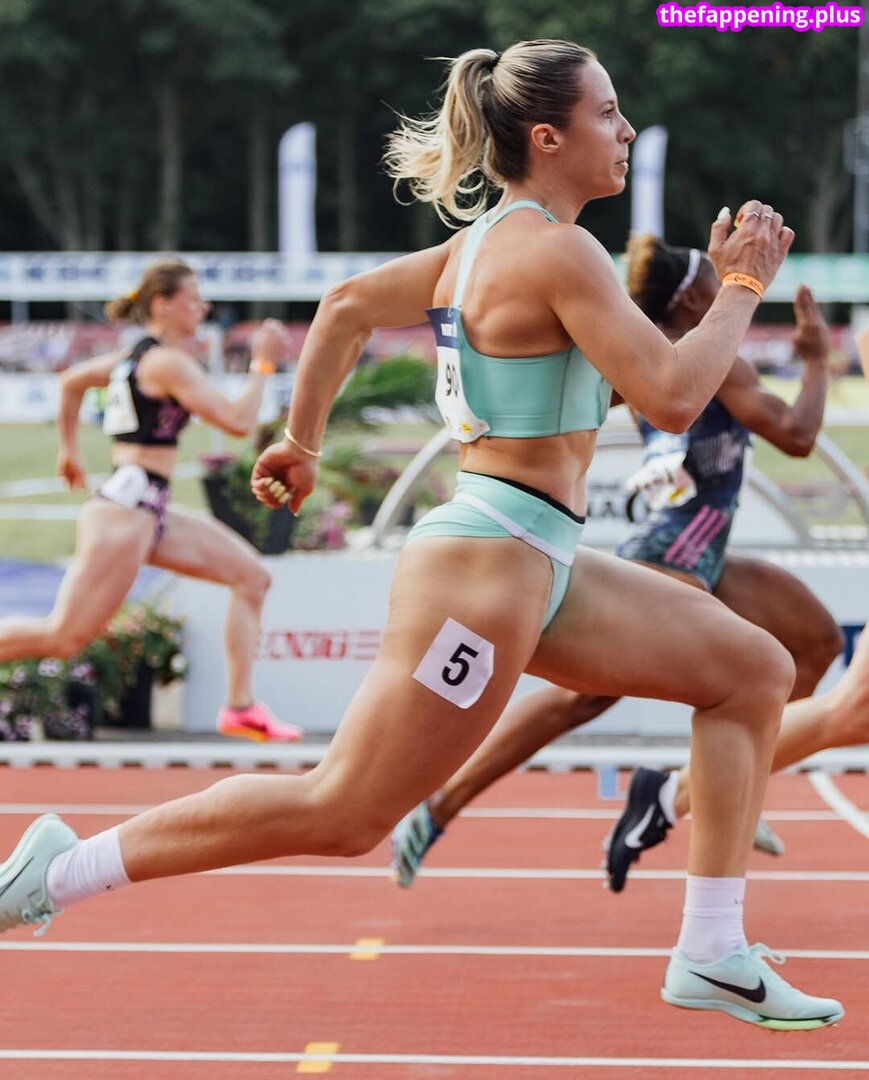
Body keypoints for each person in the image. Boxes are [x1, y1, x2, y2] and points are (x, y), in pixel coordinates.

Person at [0, 41, 843, 1029]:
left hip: (534, 554)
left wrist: (300, 442)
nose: (622, 131)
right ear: (546, 137)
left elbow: (345, 306)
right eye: (607, 114)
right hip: (487, 567)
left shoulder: (481, 247)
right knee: (341, 811)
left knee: (751, 669)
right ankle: (61, 869)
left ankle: (710, 949)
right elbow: (669, 396)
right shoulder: (555, 250)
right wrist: (739, 287)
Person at [391, 236, 843, 890]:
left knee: (813, 642)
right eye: (713, 280)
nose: (724, 284)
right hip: (676, 548)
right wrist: (816, 361)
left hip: (703, 549)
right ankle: (438, 806)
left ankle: (714, 787)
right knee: (583, 696)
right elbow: (796, 436)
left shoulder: (649, 357)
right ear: (689, 300)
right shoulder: (707, 363)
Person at [0, 259, 302, 744]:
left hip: (146, 506)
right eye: (193, 298)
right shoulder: (165, 363)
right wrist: (263, 364)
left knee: (252, 577)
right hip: (125, 510)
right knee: (65, 635)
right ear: (162, 304)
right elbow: (238, 422)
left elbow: (71, 381)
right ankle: (241, 706)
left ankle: (241, 707)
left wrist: (69, 451)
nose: (203, 307)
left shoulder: (133, 358)